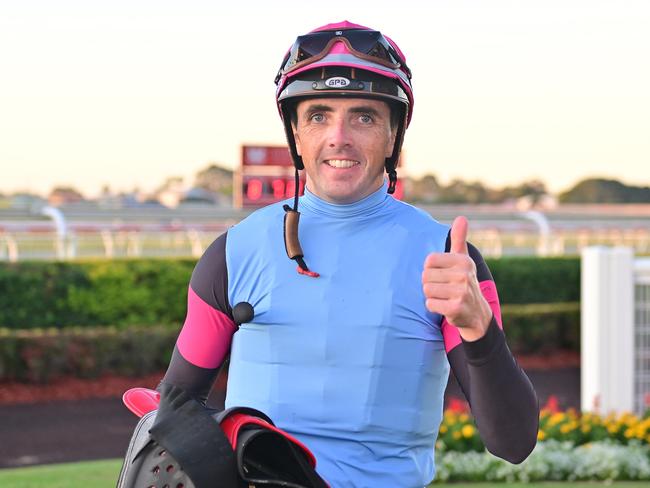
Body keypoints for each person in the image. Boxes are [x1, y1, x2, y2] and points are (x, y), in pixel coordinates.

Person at [158, 20, 539, 487]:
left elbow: (514, 442)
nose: (339, 136)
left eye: (364, 116)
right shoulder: (233, 253)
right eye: (318, 115)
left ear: (393, 136)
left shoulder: (448, 259)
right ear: (296, 135)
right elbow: (171, 415)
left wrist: (479, 331)